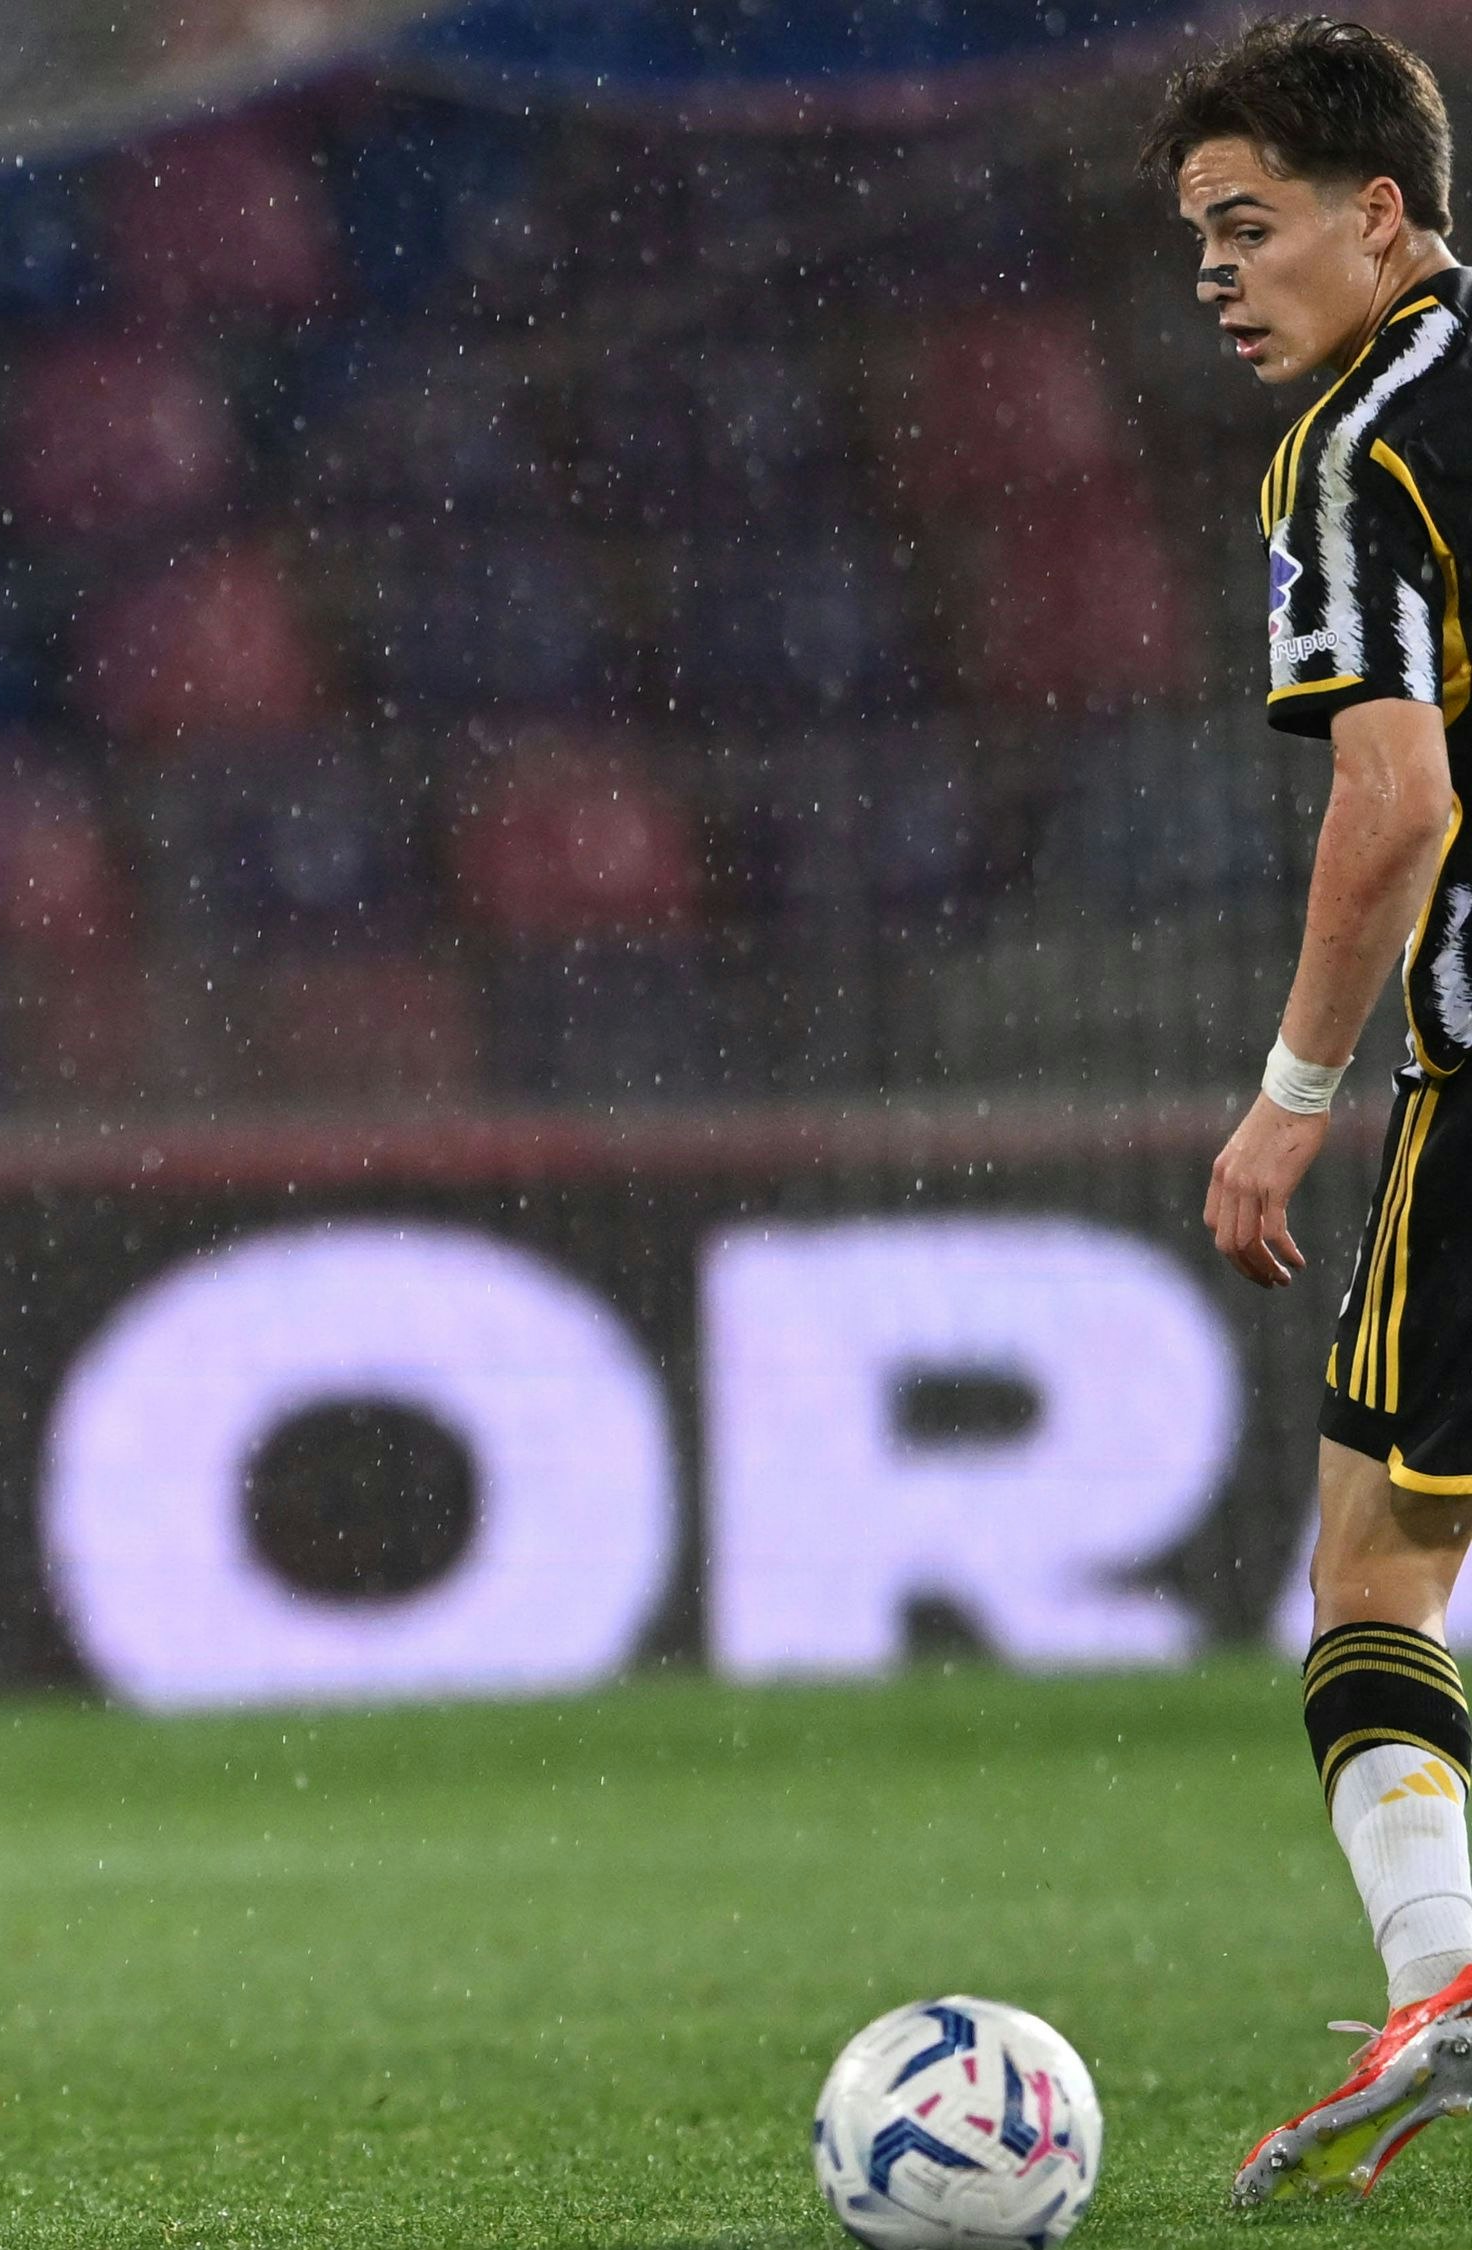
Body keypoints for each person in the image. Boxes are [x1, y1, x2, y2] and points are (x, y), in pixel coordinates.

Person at [1162, 15, 1472, 2208]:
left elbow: (1392, 798)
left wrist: (1287, 1098)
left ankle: (1444, 1976)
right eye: (1195, 240)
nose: (1216, 273)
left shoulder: (1356, 445)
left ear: (1378, 215)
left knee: (1374, 1561)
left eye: (1247, 225)